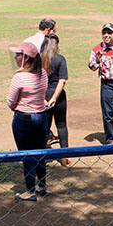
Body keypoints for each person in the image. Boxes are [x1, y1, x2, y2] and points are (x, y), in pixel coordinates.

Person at [7, 41, 50, 202]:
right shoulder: (43, 73)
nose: (16, 57)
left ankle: (30, 190)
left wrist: (17, 107)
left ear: (26, 58)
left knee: (26, 154)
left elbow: (11, 101)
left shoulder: (19, 77)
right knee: (40, 153)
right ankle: (42, 186)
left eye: (18, 54)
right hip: (41, 117)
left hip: (24, 119)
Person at [40, 34, 71, 166]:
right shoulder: (60, 59)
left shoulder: (38, 60)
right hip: (58, 98)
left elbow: (35, 81)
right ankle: (64, 156)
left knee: (44, 127)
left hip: (43, 96)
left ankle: (42, 155)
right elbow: (62, 81)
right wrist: (54, 98)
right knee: (61, 125)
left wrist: (43, 98)